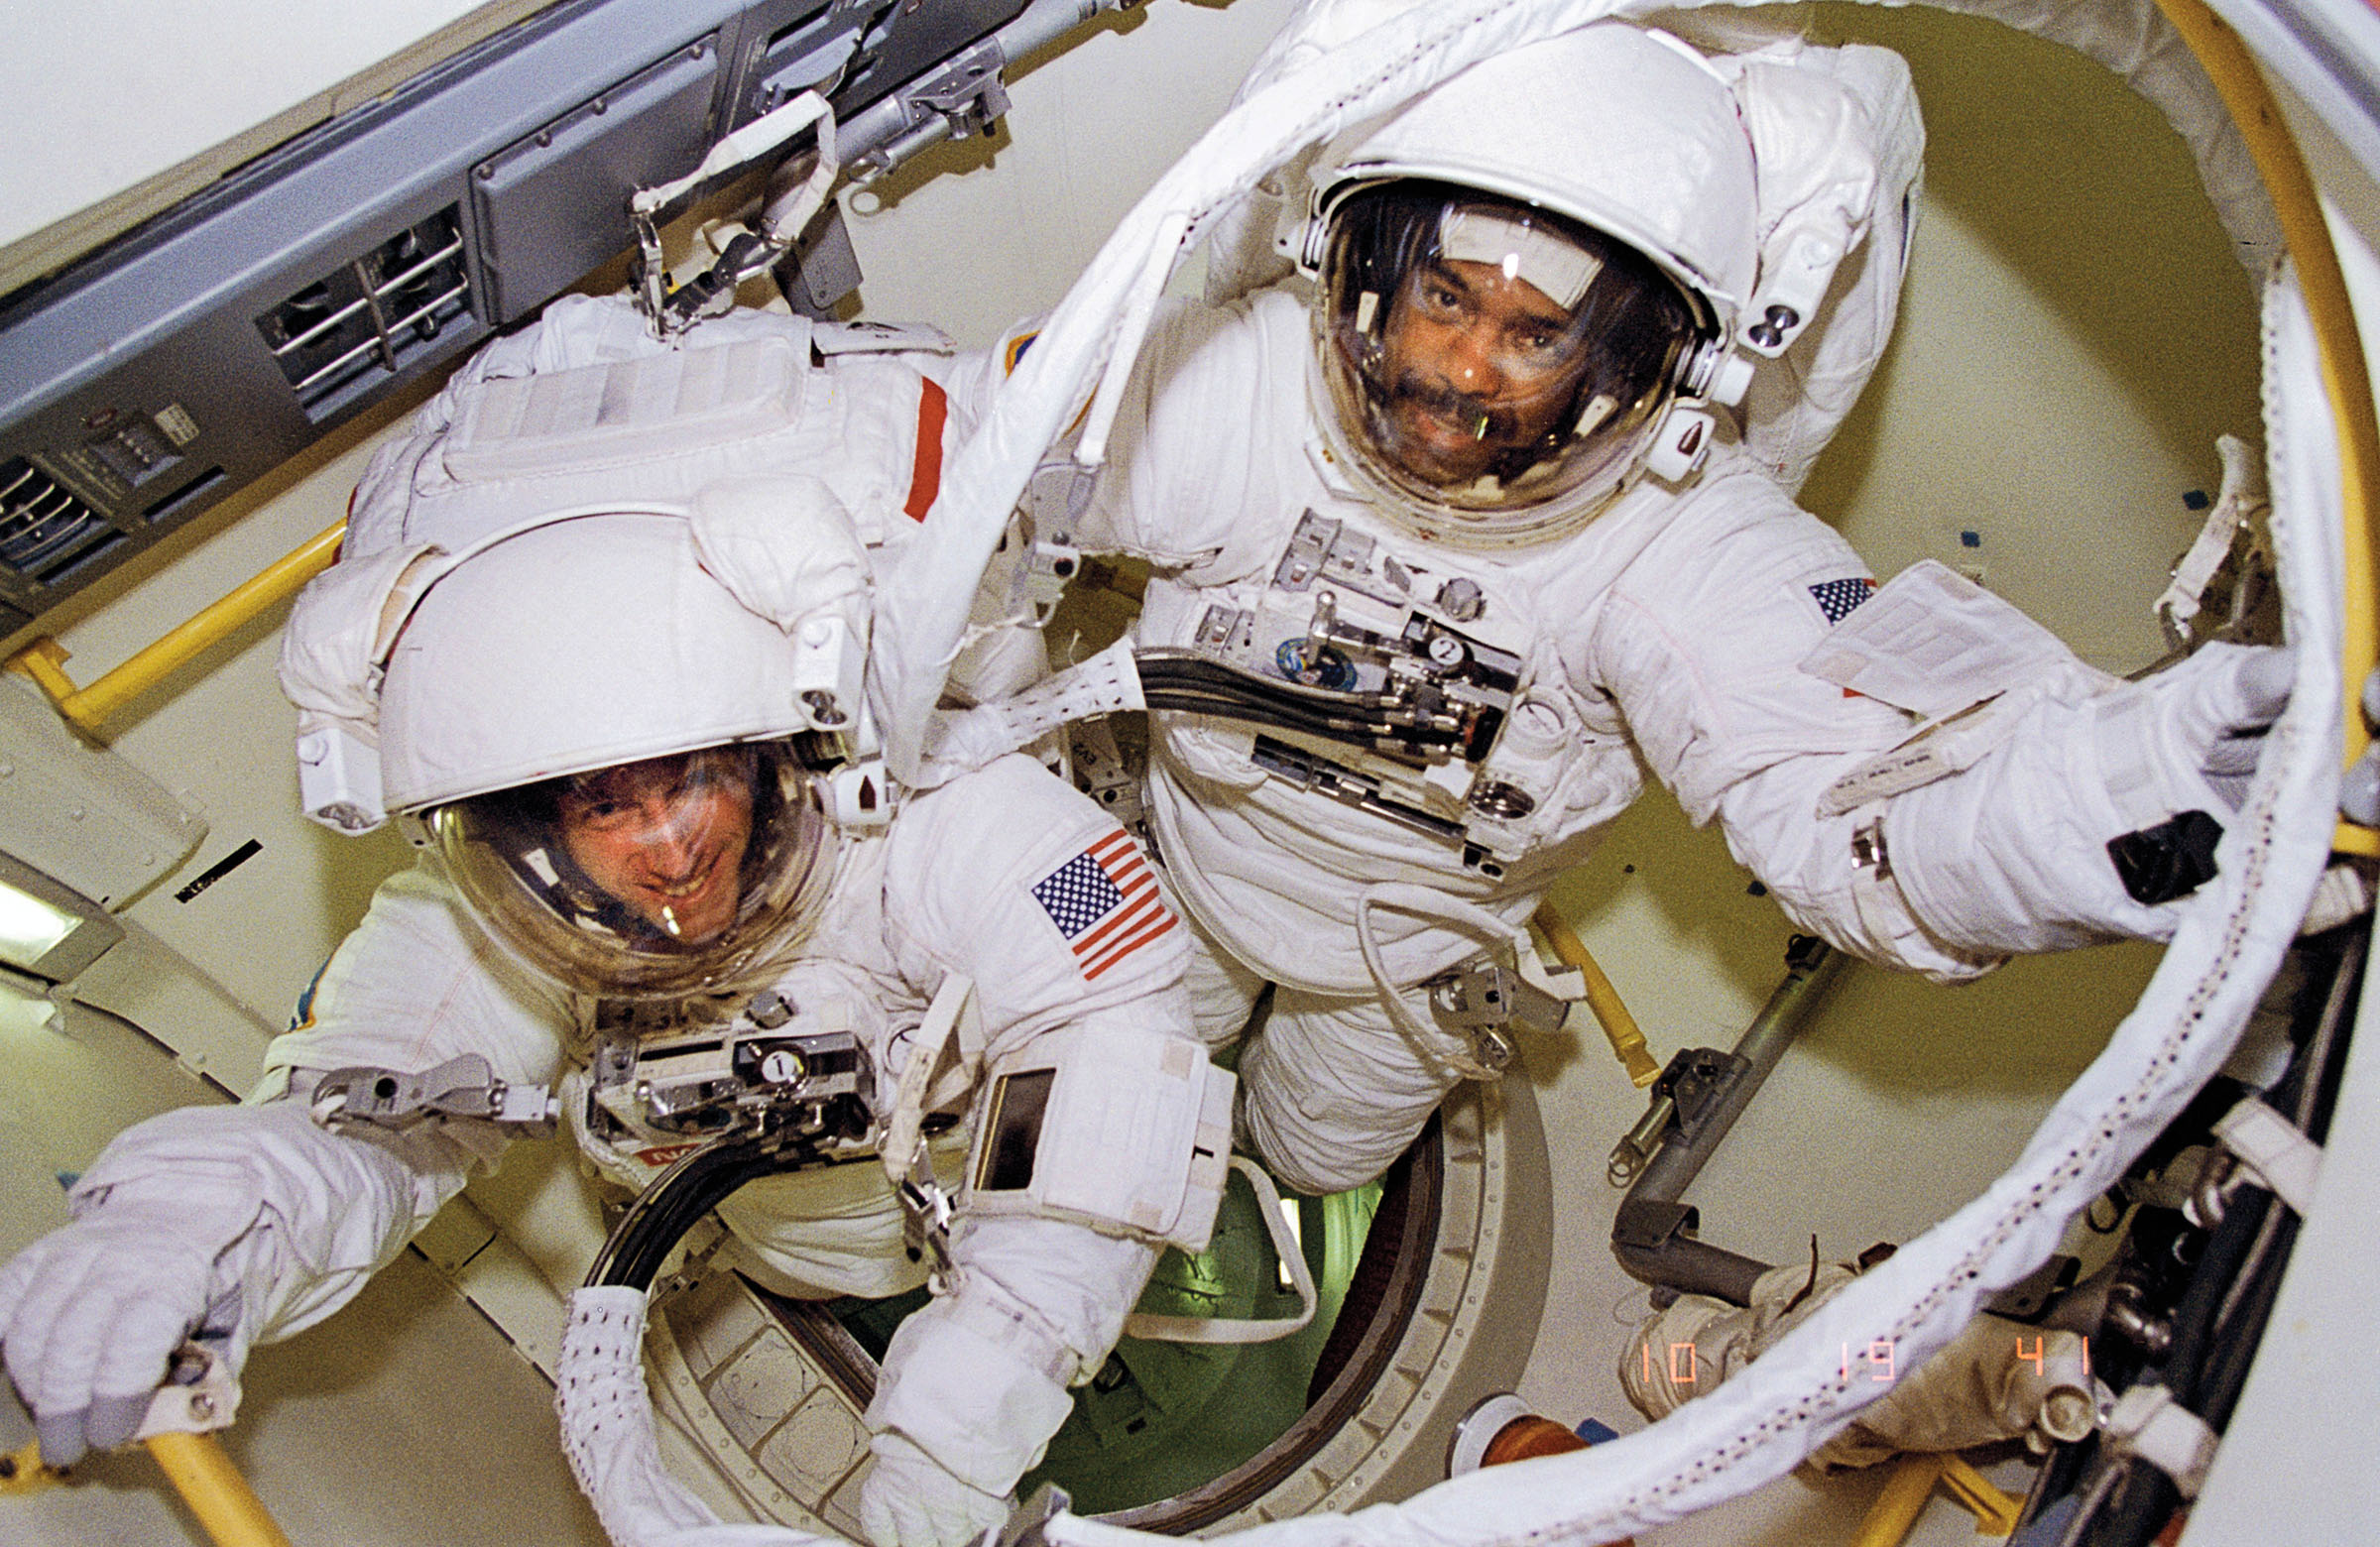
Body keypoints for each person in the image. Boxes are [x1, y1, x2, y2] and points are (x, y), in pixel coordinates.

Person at [949, 21, 2292, 1197]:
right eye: (1445, 294)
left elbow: (1855, 795)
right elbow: (953, 477)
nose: (1465, 362)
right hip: (1189, 860)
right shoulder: (1231, 393)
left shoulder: (1680, 539)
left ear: (1646, 360)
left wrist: (2078, 813)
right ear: (1360, 267)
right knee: (1124, 1088)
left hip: (1405, 953)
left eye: (1536, 334)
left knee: (1313, 1154)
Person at [0, 297, 1227, 1547]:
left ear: (766, 744)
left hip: (953, 1205)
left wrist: (961, 1418)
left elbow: (1114, 1053)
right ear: (531, 821)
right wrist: (192, 1224)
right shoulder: (496, 929)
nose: (667, 847)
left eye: (689, 774)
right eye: (601, 802)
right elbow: (360, 1117)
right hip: (759, 1237)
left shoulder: (946, 823)